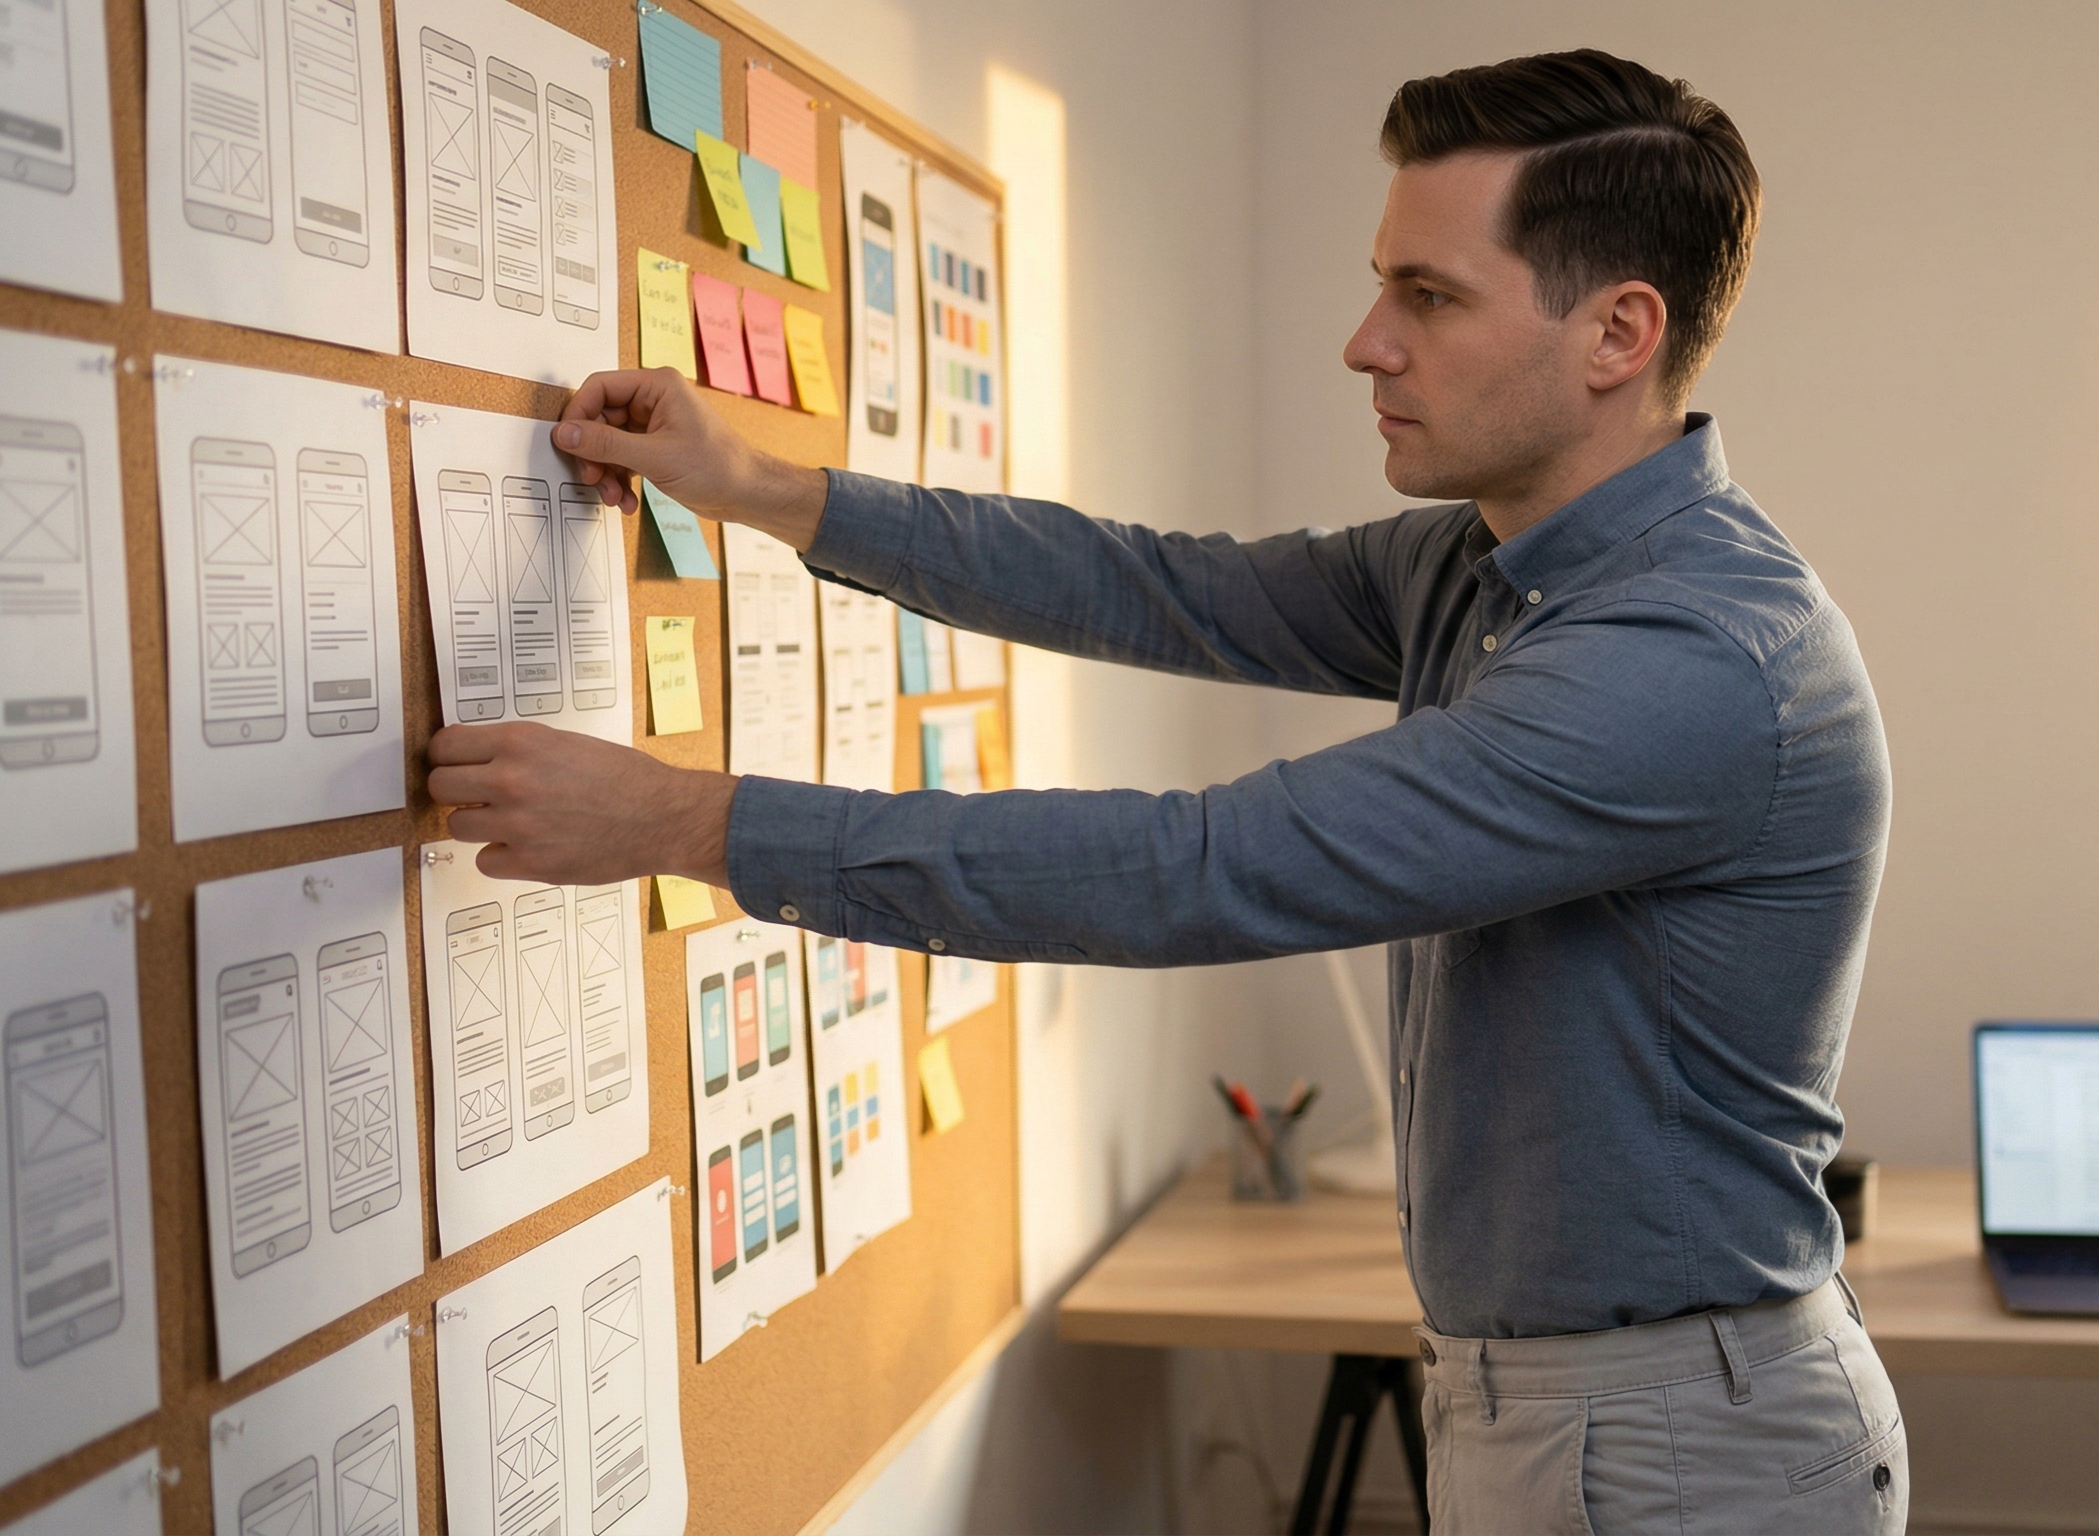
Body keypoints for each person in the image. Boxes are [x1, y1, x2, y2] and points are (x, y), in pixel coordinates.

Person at [429, 47, 1902, 1534]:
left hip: (1680, 1444)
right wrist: (766, 486)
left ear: (1618, 335)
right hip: (1549, 1402)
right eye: (1381, 284)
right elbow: (1160, 589)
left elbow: (1211, 868)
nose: (1366, 343)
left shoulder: (1692, 661)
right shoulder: (1488, 563)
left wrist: (686, 822)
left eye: (1429, 297)